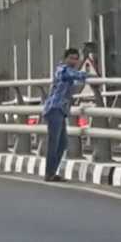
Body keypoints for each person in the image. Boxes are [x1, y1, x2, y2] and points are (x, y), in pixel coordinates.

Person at [42, 48, 87, 182]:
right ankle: (49, 173)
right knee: (54, 142)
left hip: (61, 110)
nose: (73, 61)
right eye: (71, 58)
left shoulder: (71, 71)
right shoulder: (61, 69)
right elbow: (71, 75)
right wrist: (86, 75)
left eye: (76, 58)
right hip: (54, 108)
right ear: (65, 58)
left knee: (62, 143)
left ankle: (52, 172)